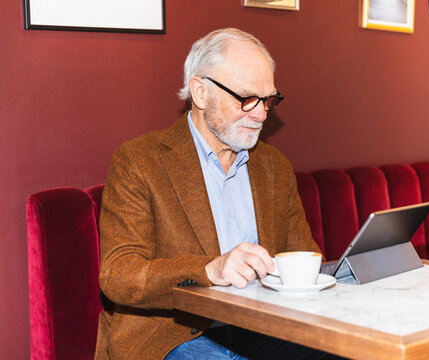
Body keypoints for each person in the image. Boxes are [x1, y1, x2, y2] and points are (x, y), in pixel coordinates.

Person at [95, 28, 339, 360]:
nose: (261, 114)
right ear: (200, 92)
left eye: (268, 99)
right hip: (172, 333)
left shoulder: (274, 167)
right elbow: (119, 275)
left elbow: (303, 257)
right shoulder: (140, 161)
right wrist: (209, 269)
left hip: (264, 327)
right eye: (246, 98)